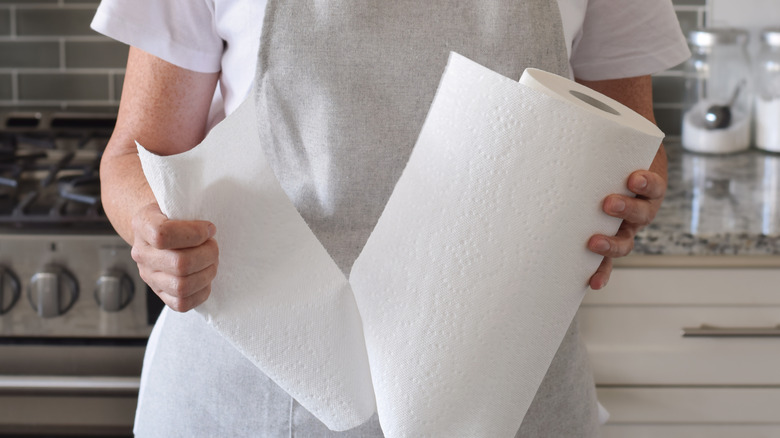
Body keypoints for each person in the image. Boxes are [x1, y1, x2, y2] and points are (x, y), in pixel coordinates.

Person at [92, 0, 690, 436]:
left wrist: (631, 196)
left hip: (508, 375)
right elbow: (134, 154)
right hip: (254, 381)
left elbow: (633, 138)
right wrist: (153, 228)